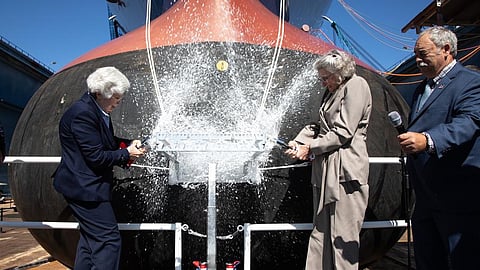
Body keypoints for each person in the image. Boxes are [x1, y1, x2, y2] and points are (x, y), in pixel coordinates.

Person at [396, 26, 480, 270]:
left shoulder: (470, 83)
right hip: (424, 196)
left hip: (458, 196)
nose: (417, 60)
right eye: (415, 54)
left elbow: (470, 122)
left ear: (446, 50)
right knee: (428, 259)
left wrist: (427, 140)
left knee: (465, 260)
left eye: (423, 53)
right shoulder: (422, 88)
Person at [285, 49, 372, 269]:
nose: (323, 83)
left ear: (340, 72)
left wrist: (309, 147)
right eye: (321, 78)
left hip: (345, 172)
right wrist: (299, 141)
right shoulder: (332, 92)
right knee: (321, 234)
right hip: (325, 171)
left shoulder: (356, 85)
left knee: (342, 238)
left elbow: (343, 132)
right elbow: (319, 127)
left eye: (326, 78)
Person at [53, 66, 147, 270]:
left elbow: (104, 141)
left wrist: (129, 143)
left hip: (84, 186)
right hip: (85, 188)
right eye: (115, 96)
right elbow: (96, 156)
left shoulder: (95, 109)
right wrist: (127, 153)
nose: (118, 101)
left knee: (90, 241)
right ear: (101, 92)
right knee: (108, 241)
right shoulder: (83, 114)